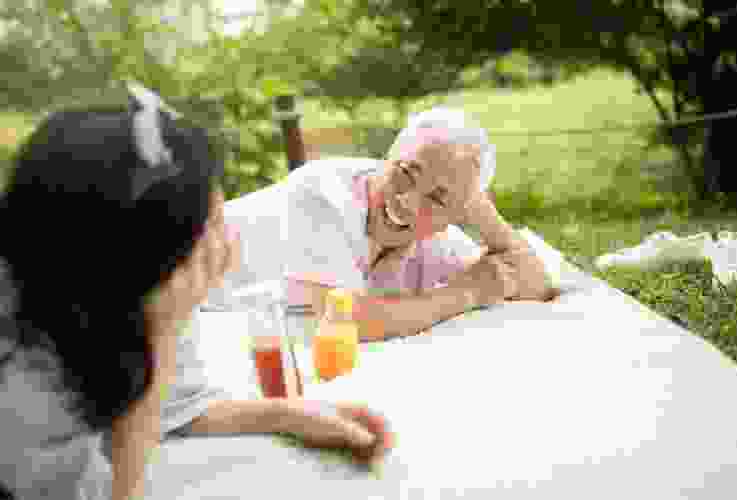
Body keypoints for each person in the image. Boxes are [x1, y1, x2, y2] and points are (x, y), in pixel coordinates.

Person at [0, 84, 393, 500]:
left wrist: (291, 414)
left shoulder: (131, 293)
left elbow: (180, 408)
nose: (225, 247)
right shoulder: (27, 386)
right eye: (213, 226)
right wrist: (163, 333)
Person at [278, 107, 558, 340]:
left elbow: (535, 283)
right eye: (407, 172)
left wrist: (480, 212)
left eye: (436, 198)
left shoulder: (435, 236)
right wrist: (466, 293)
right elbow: (331, 321)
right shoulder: (320, 192)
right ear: (385, 160)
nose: (407, 201)